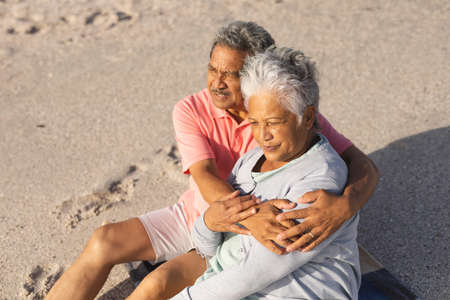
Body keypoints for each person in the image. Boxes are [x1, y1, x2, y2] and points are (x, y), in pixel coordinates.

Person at [46, 21, 378, 300]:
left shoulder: (285, 110)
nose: (216, 83)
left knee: (159, 284)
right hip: (208, 214)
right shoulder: (193, 110)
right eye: (212, 69)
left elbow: (358, 164)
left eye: (230, 73)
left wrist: (347, 204)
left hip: (248, 233)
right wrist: (244, 217)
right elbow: (204, 177)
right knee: (106, 242)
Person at [171, 46, 360, 300]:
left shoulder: (321, 179)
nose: (263, 135)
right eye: (255, 123)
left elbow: (256, 271)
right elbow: (207, 249)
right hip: (229, 284)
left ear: (307, 117)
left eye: (273, 123)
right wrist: (209, 222)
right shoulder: (250, 161)